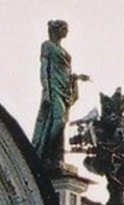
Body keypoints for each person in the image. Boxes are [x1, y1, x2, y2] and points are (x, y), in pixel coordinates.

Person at [32, 20, 87, 170]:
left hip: (64, 89)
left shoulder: (63, 51)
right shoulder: (47, 46)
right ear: (57, 30)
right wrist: (46, 91)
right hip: (54, 89)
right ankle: (44, 155)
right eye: (64, 28)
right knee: (58, 122)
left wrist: (76, 78)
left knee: (62, 124)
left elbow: (66, 73)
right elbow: (44, 69)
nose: (67, 31)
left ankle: (56, 157)